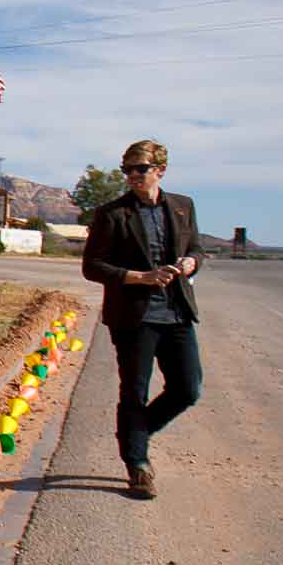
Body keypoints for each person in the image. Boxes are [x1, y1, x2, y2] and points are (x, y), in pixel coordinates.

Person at [80, 139, 203, 498]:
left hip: (177, 312)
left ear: (159, 170)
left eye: (140, 169)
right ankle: (138, 466)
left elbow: (196, 248)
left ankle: (134, 433)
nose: (132, 176)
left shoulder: (183, 207)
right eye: (127, 170)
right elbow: (92, 267)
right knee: (134, 390)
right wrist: (141, 277)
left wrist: (191, 263)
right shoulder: (112, 213)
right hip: (134, 317)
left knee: (188, 388)